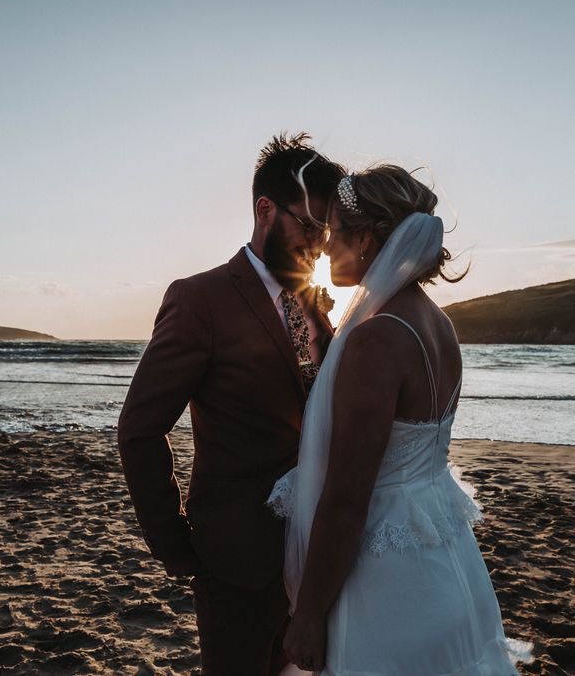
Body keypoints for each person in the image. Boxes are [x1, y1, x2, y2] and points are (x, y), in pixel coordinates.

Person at [269, 166, 533, 674]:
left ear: (366, 238)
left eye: (334, 234)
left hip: (385, 580)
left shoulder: (377, 339)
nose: (323, 250)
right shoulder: (440, 325)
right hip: (444, 559)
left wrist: (307, 616)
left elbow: (346, 500)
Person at [118, 132, 345, 676]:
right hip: (239, 558)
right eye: (307, 225)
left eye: (326, 230)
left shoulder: (314, 304)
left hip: (317, 559)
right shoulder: (201, 299)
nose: (317, 244)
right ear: (265, 210)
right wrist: (173, 543)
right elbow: (139, 429)